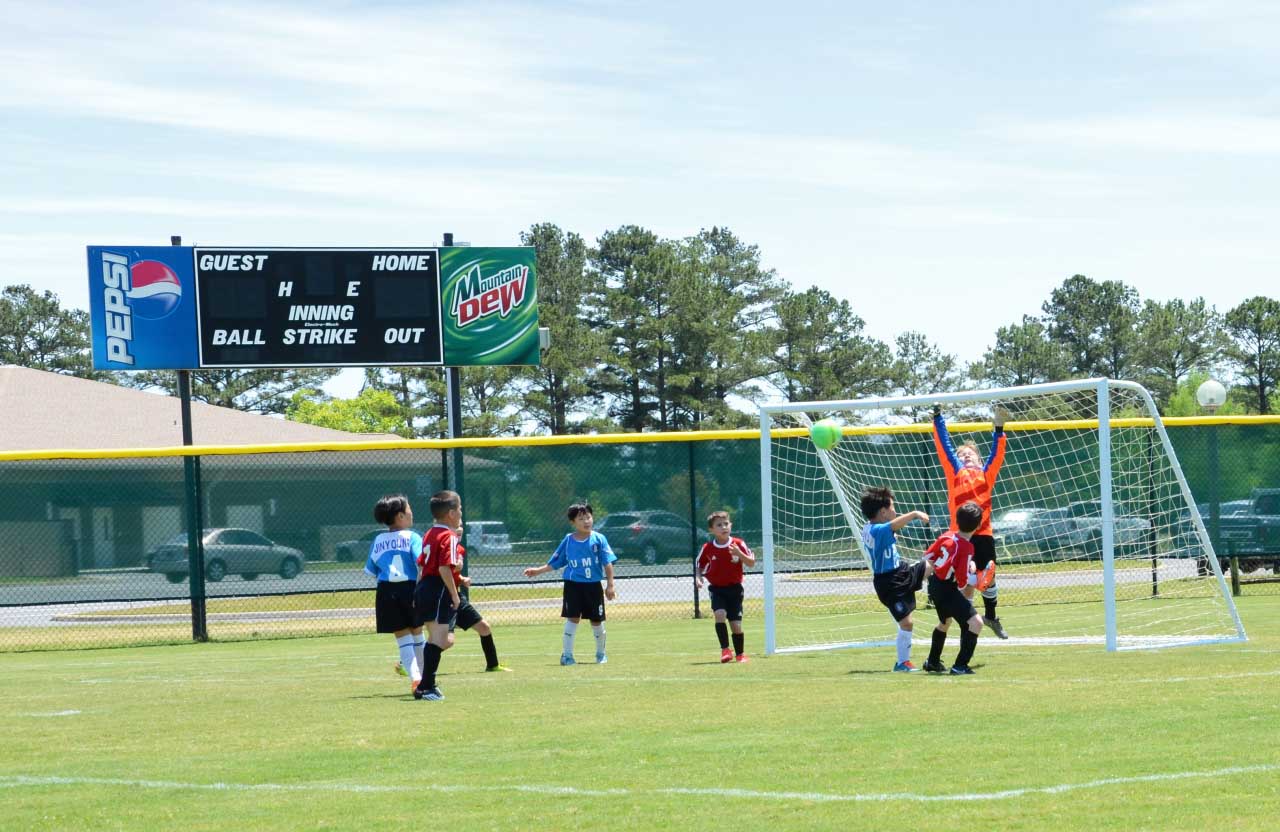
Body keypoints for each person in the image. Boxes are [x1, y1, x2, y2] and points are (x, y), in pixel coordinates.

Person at [932, 403, 1009, 639]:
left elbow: (997, 455)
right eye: (961, 454)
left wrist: (998, 429)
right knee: (965, 582)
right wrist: (938, 419)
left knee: (989, 577)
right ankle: (965, 620)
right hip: (959, 535)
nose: (965, 456)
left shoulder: (986, 474)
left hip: (983, 533)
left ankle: (991, 617)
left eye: (970, 454)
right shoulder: (955, 472)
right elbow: (944, 447)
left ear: (978, 459)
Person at [523, 501, 617, 665]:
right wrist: (537, 571)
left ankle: (601, 654)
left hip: (593, 587)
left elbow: (607, 562)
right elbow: (557, 562)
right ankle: (567, 656)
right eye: (581, 519)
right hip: (573, 586)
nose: (586, 521)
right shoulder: (568, 540)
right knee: (572, 618)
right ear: (573, 522)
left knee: (597, 620)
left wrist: (610, 585)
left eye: (588, 517)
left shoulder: (599, 539)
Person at [859, 486, 931, 672]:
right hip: (889, 583)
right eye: (892, 507)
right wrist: (915, 513)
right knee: (907, 623)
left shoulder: (871, 528)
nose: (894, 510)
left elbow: (891, 530)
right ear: (882, 512)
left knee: (935, 564)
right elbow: (893, 525)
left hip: (900, 571)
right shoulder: (876, 530)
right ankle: (902, 663)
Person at [365, 494, 424, 697]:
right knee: (418, 634)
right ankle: (425, 678)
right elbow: (421, 562)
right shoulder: (413, 537)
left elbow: (372, 571)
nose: (411, 513)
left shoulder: (378, 540)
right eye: (409, 509)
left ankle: (415, 679)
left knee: (403, 639)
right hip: (410, 588)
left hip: (386, 591)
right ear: (400, 516)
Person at [411, 490, 467, 701]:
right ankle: (427, 686)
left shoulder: (430, 533)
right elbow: (444, 568)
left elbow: (421, 565)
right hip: (437, 589)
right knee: (439, 639)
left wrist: (417, 591)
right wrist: (454, 595)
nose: (461, 513)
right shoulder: (449, 536)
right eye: (459, 509)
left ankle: (425, 685)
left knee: (440, 639)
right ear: (451, 513)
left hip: (425, 587)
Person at [921, 501, 985, 675]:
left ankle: (932, 662)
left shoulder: (947, 535)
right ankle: (960, 666)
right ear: (978, 525)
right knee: (975, 623)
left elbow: (927, 556)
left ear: (957, 521)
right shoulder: (967, 546)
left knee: (945, 622)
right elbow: (963, 582)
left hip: (934, 585)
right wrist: (971, 568)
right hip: (947, 589)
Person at [446, 524, 510, 674]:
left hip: (457, 596)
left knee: (484, 628)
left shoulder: (459, 549)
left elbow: (452, 573)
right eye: (456, 529)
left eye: (461, 529)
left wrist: (461, 579)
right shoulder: (443, 546)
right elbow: (442, 569)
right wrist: (455, 567)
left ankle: (493, 665)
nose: (459, 531)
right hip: (443, 597)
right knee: (445, 641)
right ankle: (410, 663)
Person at [695, 510, 757, 663]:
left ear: (731, 525)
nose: (724, 527)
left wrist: (738, 553)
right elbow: (699, 565)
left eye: (726, 524)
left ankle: (740, 654)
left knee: (736, 625)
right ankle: (725, 650)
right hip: (717, 589)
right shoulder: (708, 547)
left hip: (735, 590)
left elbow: (751, 562)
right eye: (719, 525)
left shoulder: (738, 543)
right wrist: (698, 578)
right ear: (711, 529)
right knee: (720, 614)